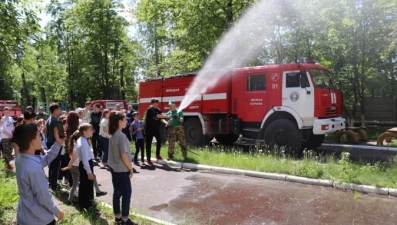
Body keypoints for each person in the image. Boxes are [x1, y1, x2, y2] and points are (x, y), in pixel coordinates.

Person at [13, 123, 64, 225]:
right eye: (38, 135)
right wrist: (57, 212)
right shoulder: (33, 168)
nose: (41, 137)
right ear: (32, 142)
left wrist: (58, 143)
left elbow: (45, 159)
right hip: (39, 219)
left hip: (25, 215)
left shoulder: (20, 159)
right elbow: (43, 197)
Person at [108, 111, 137, 225]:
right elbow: (124, 154)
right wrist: (130, 168)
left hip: (114, 169)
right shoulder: (121, 135)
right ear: (119, 121)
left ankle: (118, 217)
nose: (127, 121)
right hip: (122, 169)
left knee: (117, 192)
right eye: (125, 120)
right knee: (126, 193)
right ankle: (125, 219)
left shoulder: (113, 134)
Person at [45, 103, 62, 190]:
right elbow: (56, 133)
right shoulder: (55, 120)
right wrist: (60, 142)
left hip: (49, 142)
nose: (60, 110)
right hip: (55, 143)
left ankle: (51, 182)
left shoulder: (49, 119)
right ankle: (54, 184)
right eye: (59, 109)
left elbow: (46, 131)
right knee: (55, 164)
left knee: (51, 164)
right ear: (55, 110)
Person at [144, 98, 164, 165]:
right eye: (155, 103)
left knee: (159, 140)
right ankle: (148, 159)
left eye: (157, 103)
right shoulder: (150, 109)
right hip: (149, 129)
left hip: (155, 129)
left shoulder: (158, 110)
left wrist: (166, 122)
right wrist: (168, 116)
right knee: (148, 144)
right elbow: (157, 116)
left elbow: (161, 118)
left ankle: (157, 155)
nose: (156, 104)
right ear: (152, 103)